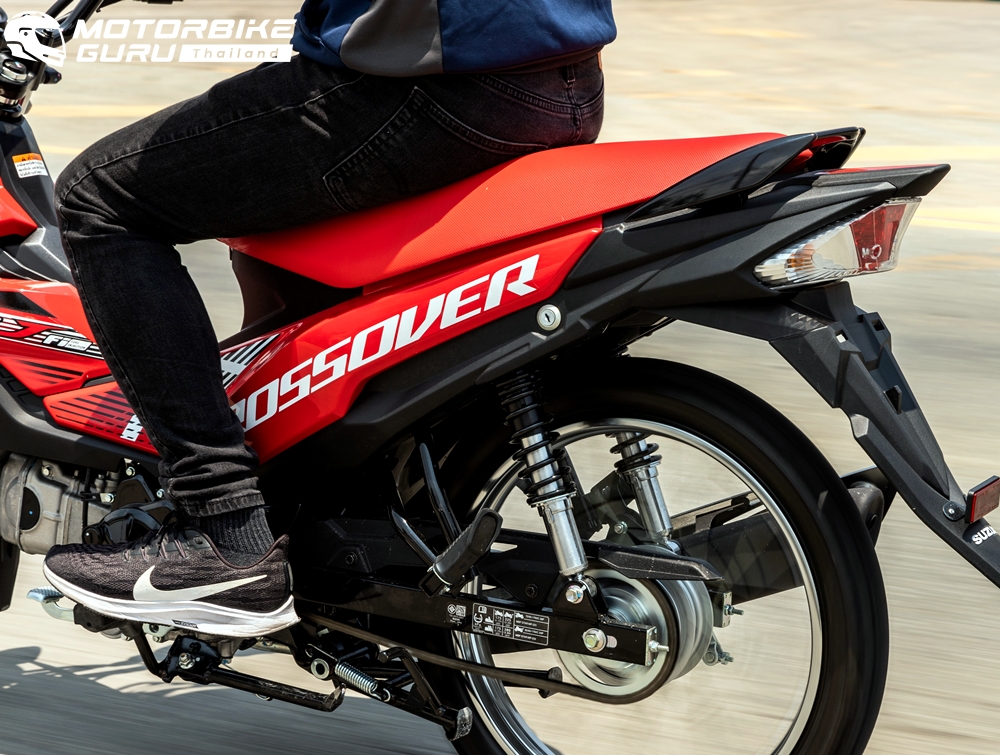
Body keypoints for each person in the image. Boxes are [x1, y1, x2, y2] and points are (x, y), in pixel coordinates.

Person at [40, 0, 613, 638]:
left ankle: (224, 530)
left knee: (98, 197)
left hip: (431, 91)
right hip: (565, 83)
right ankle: (338, 522)